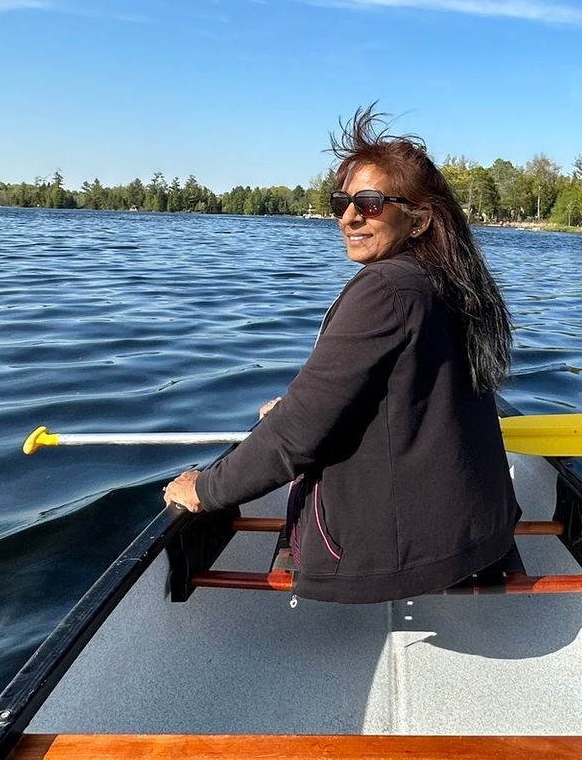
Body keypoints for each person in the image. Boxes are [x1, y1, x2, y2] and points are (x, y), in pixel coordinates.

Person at [162, 107, 519, 603]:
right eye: (341, 202)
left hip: (411, 552)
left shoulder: (385, 290)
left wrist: (205, 490)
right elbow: (403, 394)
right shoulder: (450, 281)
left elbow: (295, 439)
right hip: (479, 531)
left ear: (419, 220)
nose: (349, 217)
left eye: (370, 203)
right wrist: (299, 407)